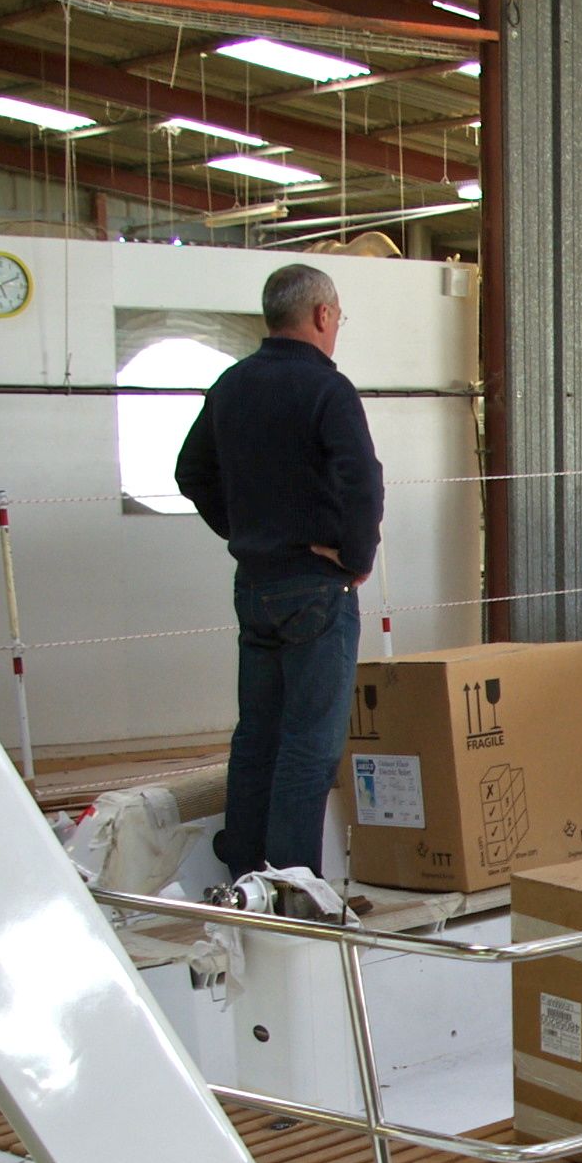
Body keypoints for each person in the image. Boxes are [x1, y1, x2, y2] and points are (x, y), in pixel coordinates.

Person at [176, 262, 383, 877]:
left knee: (257, 736)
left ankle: (243, 873)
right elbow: (362, 481)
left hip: (255, 583)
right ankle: (291, 888)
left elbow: (191, 473)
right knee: (310, 747)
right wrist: (356, 558)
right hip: (316, 587)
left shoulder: (231, 385)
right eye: (338, 317)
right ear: (322, 314)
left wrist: (244, 532)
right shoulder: (328, 389)